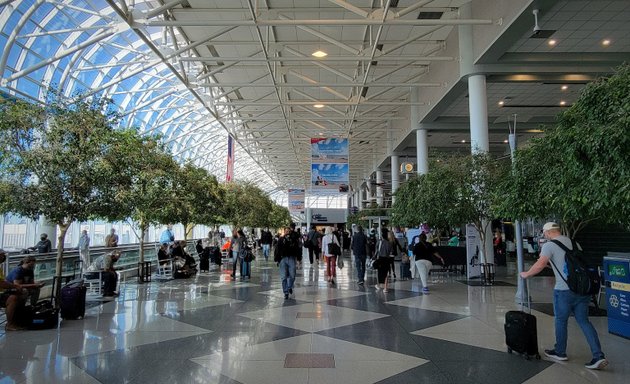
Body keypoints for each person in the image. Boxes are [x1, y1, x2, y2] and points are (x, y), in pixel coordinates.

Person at [520, 222, 608, 370]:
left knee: (561, 321)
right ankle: (598, 355)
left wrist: (526, 274)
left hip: (564, 291)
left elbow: (540, 264)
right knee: (584, 321)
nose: (544, 235)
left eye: (544, 233)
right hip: (582, 290)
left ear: (548, 232)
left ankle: (560, 351)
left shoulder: (549, 245)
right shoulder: (574, 243)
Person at [0, 249, 28, 331]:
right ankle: (10, 324)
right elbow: (1, 284)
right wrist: (15, 286)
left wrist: (14, 287)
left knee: (21, 294)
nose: (3, 257)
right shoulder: (19, 271)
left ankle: (17, 320)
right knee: (13, 298)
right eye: (2, 255)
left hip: (1, 291)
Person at [277, 224, 300, 299]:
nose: (287, 232)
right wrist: (277, 260)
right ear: (284, 232)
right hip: (283, 259)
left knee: (292, 275)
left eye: (288, 231)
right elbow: (277, 250)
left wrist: (299, 259)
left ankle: (290, 286)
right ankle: (286, 292)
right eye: (286, 231)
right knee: (283, 277)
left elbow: (297, 249)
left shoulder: (293, 239)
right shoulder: (281, 239)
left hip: (291, 258)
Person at [375, 228, 393, 292]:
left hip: (380, 258)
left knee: (379, 272)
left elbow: (377, 251)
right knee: (386, 273)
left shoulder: (380, 242)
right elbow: (391, 251)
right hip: (387, 259)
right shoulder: (390, 243)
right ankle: (385, 288)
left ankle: (378, 285)